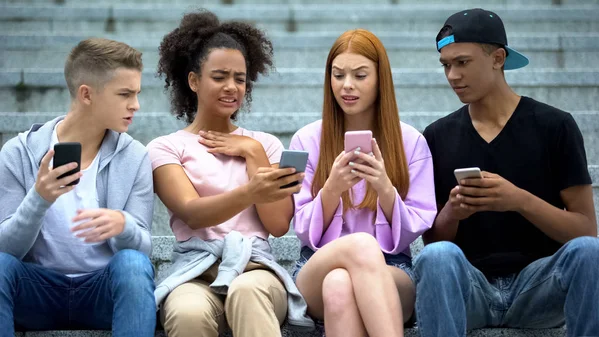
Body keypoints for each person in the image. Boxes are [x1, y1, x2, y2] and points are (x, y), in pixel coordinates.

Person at [414, 8, 599, 337]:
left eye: (463, 62)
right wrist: (453, 212)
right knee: (437, 256)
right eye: (446, 65)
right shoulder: (437, 135)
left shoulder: (555, 126)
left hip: (540, 288)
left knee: (590, 253)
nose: (452, 75)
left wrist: (519, 200)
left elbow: (585, 231)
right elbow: (434, 241)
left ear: (498, 58)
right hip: (471, 289)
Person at [147, 10, 314, 337]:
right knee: (187, 313)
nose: (232, 87)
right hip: (194, 273)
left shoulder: (264, 144)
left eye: (239, 78)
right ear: (194, 81)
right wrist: (251, 191)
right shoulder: (165, 147)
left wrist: (252, 152)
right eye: (220, 76)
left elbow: (279, 226)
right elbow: (193, 214)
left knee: (247, 293)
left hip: (258, 272)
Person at [0, 38, 156, 336]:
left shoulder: (135, 156)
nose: (135, 105)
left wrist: (123, 225)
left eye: (136, 93)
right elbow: (6, 249)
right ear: (87, 94)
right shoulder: (18, 153)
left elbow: (143, 251)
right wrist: (39, 198)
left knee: (133, 264)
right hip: (37, 293)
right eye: (125, 94)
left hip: (102, 292)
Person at [289, 29, 437, 337]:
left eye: (360, 75)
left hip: (393, 268)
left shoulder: (412, 142)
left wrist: (384, 187)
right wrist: (332, 189)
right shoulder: (304, 139)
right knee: (357, 248)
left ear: (381, 78)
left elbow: (420, 222)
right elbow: (299, 226)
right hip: (316, 264)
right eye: (338, 74)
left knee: (340, 284)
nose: (347, 86)